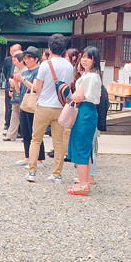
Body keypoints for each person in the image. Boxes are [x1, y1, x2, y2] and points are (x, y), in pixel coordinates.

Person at [26, 33, 74, 183]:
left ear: (49, 48)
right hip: (60, 107)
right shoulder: (69, 65)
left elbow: (38, 85)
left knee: (36, 139)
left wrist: (42, 97)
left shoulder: (46, 64)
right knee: (58, 142)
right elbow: (69, 86)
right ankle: (57, 174)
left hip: (44, 106)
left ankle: (32, 172)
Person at [67, 47, 102, 196]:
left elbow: (78, 97)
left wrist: (74, 94)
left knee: (80, 146)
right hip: (90, 111)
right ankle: (85, 180)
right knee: (86, 148)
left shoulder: (89, 77)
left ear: (94, 60)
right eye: (83, 57)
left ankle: (82, 185)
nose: (84, 60)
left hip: (84, 110)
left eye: (88, 57)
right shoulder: (94, 75)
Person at [14, 46, 45, 168]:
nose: (26, 60)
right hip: (24, 103)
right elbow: (19, 90)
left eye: (29, 58)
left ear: (36, 59)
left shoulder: (38, 72)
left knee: (35, 132)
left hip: (34, 104)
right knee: (25, 132)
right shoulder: (25, 72)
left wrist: (22, 79)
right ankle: (28, 156)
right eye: (25, 58)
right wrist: (16, 82)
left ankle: (39, 159)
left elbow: (35, 87)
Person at [4, 51, 28, 141]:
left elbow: (22, 83)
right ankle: (11, 135)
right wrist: (11, 89)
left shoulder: (25, 70)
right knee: (14, 114)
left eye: (15, 59)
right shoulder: (16, 69)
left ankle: (25, 135)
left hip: (23, 95)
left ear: (21, 61)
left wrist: (13, 83)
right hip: (16, 94)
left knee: (23, 116)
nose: (13, 60)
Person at [1, 44, 21, 132]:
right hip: (10, 84)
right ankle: (7, 123)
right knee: (8, 105)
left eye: (15, 50)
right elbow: (5, 71)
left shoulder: (22, 60)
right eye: (12, 50)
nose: (13, 53)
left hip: (18, 86)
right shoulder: (7, 60)